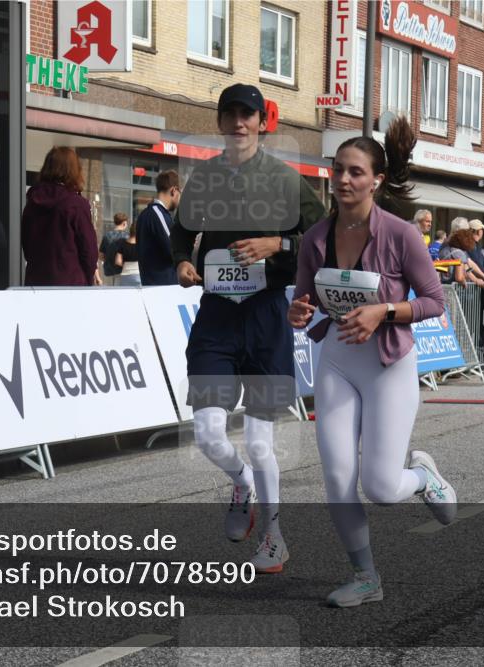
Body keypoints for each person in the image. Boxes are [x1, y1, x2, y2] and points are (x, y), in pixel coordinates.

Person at [289, 119, 453, 608]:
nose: (343, 180)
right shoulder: (315, 237)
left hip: (388, 365)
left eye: (355, 172)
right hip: (336, 360)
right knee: (338, 480)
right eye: (337, 170)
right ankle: (365, 577)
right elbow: (303, 300)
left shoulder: (401, 235)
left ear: (375, 180)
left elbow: (433, 301)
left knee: (381, 487)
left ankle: (424, 477)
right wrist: (298, 310)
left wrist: (382, 310)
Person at [171, 83, 325, 574]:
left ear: (262, 122)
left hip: (264, 320)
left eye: (248, 115)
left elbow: (324, 238)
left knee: (260, 443)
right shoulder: (204, 179)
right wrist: (180, 262)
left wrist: (276, 243)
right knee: (208, 436)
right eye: (230, 114)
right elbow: (180, 232)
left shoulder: (284, 180)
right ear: (220, 123)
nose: (239, 123)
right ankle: (241, 482)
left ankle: (275, 536)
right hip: (216, 319)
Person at [21, 146, 97, 286]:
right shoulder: (76, 204)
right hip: (70, 284)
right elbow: (89, 251)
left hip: (36, 283)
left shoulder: (32, 203)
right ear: (74, 170)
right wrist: (87, 279)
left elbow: (26, 246)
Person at [136, 170, 182, 286]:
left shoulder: (147, 214)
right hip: (164, 286)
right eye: (180, 194)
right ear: (174, 190)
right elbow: (174, 249)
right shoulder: (158, 213)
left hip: (153, 285)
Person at [99, 212, 129, 285]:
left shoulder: (107, 236)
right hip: (123, 271)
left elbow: (100, 255)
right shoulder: (127, 236)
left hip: (109, 271)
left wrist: (109, 259)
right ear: (124, 223)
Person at [114, 221, 141, 287]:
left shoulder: (122, 244)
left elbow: (118, 261)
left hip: (126, 275)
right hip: (139, 275)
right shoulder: (142, 245)